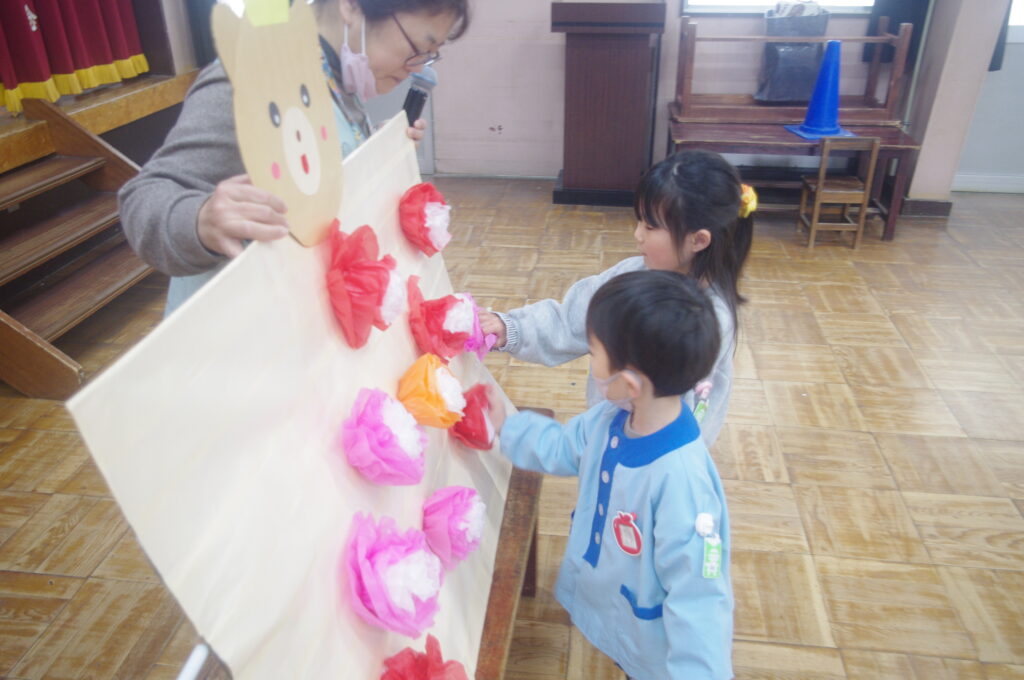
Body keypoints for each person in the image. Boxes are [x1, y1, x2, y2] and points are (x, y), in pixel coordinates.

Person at [119, 0, 470, 314]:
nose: (416, 68)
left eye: (430, 55)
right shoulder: (256, 75)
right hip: (234, 333)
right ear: (351, 5)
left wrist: (376, 154)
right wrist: (200, 220)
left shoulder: (334, 77)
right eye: (417, 48)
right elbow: (144, 198)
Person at [493, 269, 733, 680]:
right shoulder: (610, 417)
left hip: (658, 651)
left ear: (629, 382)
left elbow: (700, 597)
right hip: (617, 613)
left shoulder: (682, 482)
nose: (590, 362)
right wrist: (506, 426)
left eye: (594, 352)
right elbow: (563, 447)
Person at [479, 150, 755, 446]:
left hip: (658, 448)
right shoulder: (631, 273)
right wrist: (510, 328)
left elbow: (664, 403)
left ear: (698, 240)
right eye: (639, 221)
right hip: (608, 433)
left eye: (650, 226)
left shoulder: (712, 318)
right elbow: (570, 320)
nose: (638, 235)